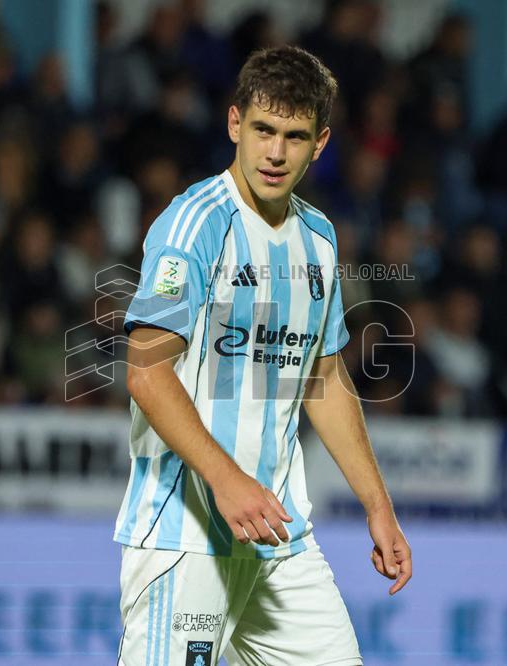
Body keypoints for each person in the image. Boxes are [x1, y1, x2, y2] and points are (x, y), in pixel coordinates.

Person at [115, 45, 411, 665]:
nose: (275, 153)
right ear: (234, 124)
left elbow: (324, 378)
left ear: (320, 143)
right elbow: (146, 372)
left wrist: (378, 506)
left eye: (294, 136)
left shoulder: (319, 239)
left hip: (280, 538)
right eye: (263, 130)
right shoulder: (195, 224)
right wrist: (226, 482)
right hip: (188, 535)